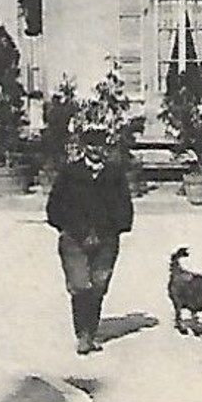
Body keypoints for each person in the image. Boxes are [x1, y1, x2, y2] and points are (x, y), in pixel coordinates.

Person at [46, 126, 134, 355]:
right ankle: (83, 335)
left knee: (98, 286)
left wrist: (113, 229)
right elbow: (54, 207)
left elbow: (125, 207)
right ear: (85, 147)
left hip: (106, 240)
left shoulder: (115, 175)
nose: (97, 150)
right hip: (74, 240)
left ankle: (91, 331)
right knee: (79, 285)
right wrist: (72, 229)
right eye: (92, 145)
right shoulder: (70, 173)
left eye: (101, 146)